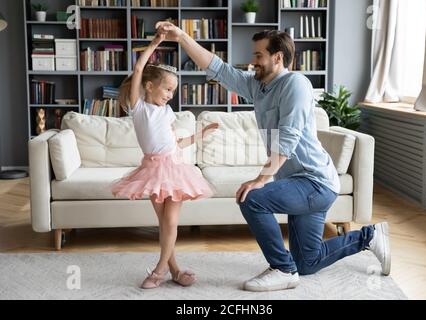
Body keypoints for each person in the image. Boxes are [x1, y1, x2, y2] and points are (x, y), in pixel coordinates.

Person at [156, 22, 391, 292]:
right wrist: (182, 37)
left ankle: (281, 269)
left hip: (315, 182)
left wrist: (260, 179)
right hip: (300, 184)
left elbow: (288, 139)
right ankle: (371, 236)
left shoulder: (296, 84)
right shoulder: (260, 87)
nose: (252, 61)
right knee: (308, 261)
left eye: (258, 55)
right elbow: (218, 68)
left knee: (252, 197)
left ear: (277, 57)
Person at [112, 33, 218, 289]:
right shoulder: (138, 107)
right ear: (149, 86)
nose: (171, 95)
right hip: (152, 170)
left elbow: (174, 143)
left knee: (170, 222)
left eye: (173, 90)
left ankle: (158, 271)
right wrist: (156, 43)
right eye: (167, 89)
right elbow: (139, 67)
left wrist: (199, 135)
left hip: (176, 168)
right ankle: (176, 271)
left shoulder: (167, 111)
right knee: (165, 224)